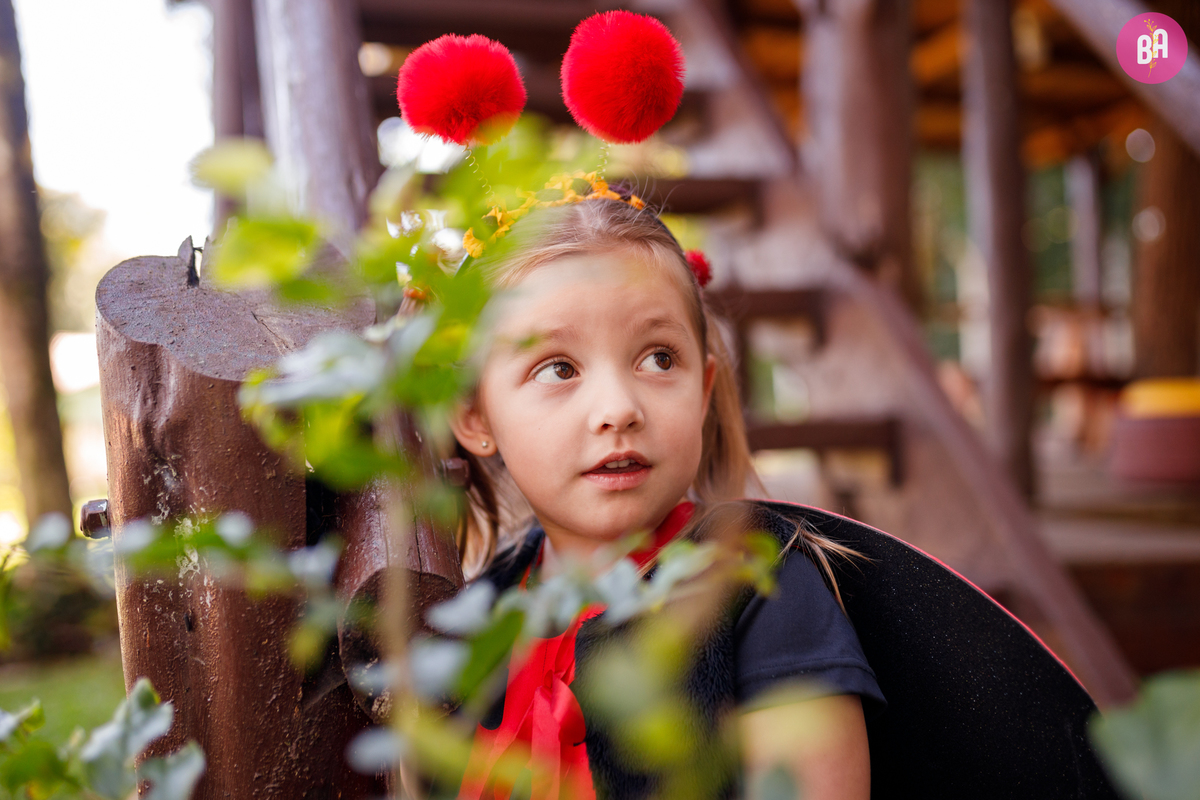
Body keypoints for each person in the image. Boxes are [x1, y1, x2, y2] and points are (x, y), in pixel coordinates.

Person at [447, 196, 880, 800]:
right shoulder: (478, 613)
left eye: (658, 358)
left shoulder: (760, 590)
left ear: (702, 392)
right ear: (474, 414)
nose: (619, 408)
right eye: (559, 369)